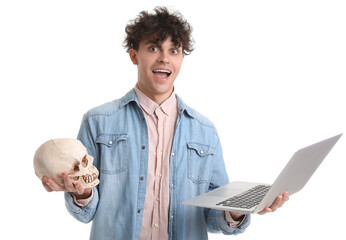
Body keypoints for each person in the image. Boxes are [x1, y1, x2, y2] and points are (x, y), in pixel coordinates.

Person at [42, 7, 289, 240]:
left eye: (174, 50)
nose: (164, 59)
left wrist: (238, 209)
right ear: (133, 55)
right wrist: (80, 192)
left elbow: (212, 217)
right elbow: (86, 211)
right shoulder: (97, 122)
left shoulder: (205, 131)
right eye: (153, 48)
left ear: (182, 58)